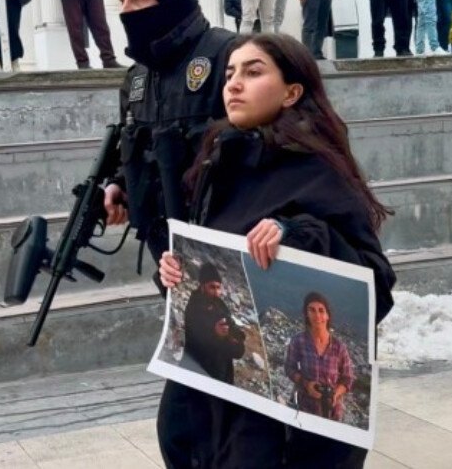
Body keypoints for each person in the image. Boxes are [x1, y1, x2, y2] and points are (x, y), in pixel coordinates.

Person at [159, 33, 396, 468]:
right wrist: (180, 269)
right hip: (218, 392)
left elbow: (375, 285)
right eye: (230, 73)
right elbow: (220, 262)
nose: (233, 84)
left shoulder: (317, 168)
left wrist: (300, 234)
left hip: (283, 425)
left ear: (292, 92)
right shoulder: (218, 161)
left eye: (252, 72)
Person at [103, 0, 237, 469]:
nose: (129, 10)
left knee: (185, 420)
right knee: (207, 405)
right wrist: (117, 187)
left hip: (224, 258)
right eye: (121, 0)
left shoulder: (228, 55)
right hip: (169, 258)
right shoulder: (137, 78)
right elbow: (132, 147)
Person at [285, 292, 355, 422]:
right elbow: (289, 368)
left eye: (321, 311)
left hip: (332, 411)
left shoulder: (339, 347)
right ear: (306, 314)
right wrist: (307, 384)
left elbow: (347, 379)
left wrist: (335, 393)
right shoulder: (298, 341)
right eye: (311, 310)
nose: (317, 315)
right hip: (304, 408)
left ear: (327, 315)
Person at [181, 263, 246, 385]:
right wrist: (215, 334)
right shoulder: (193, 309)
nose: (216, 292)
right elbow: (194, 344)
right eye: (212, 287)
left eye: (218, 288)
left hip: (224, 377)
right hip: (201, 379)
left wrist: (234, 340)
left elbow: (238, 352)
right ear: (202, 286)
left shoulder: (220, 306)